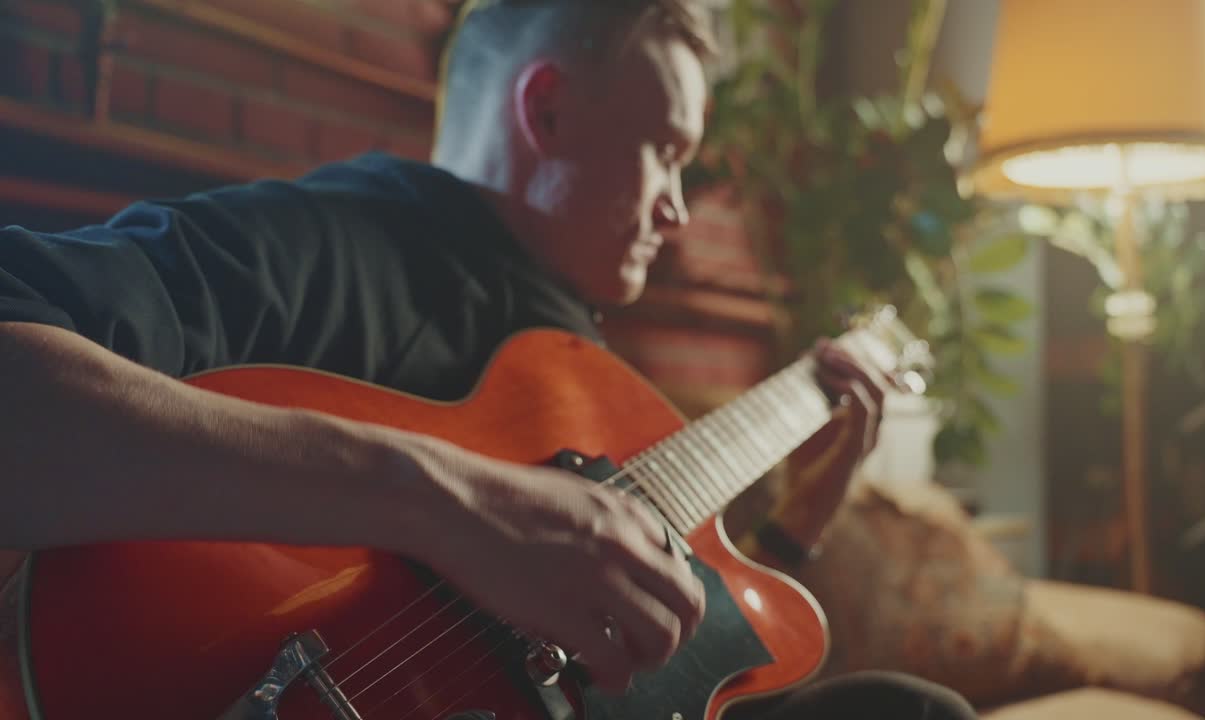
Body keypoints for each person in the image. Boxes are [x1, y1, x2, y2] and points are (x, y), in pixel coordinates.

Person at [0, 0, 978, 718]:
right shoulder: (342, 245)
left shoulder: (591, 376)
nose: (677, 209)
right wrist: (446, 503)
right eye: (666, 150)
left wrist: (806, 508)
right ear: (545, 112)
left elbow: (707, 669)